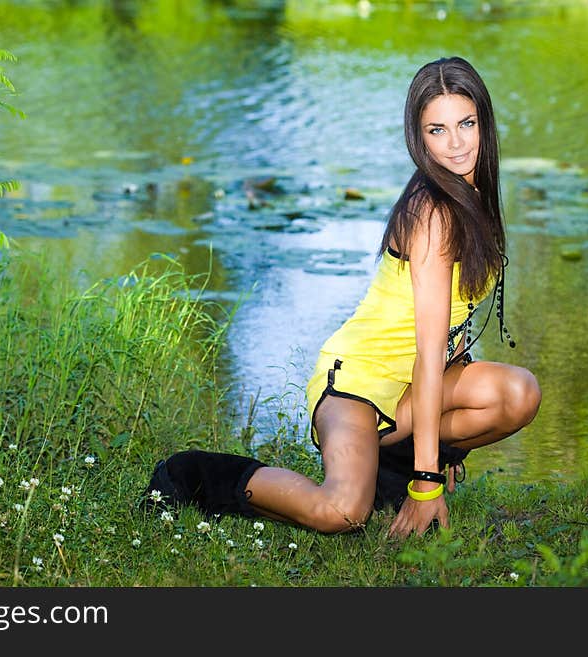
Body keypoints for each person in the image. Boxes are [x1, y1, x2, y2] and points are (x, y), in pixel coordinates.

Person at [141, 56, 541, 538]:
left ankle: (390, 465)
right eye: (437, 130)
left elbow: (450, 331)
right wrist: (427, 480)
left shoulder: (474, 195)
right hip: (360, 383)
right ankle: (192, 475)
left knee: (517, 394)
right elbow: (429, 354)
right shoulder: (432, 213)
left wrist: (433, 453)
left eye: (466, 124)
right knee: (342, 512)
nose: (455, 144)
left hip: (413, 390)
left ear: (484, 123)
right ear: (419, 137)